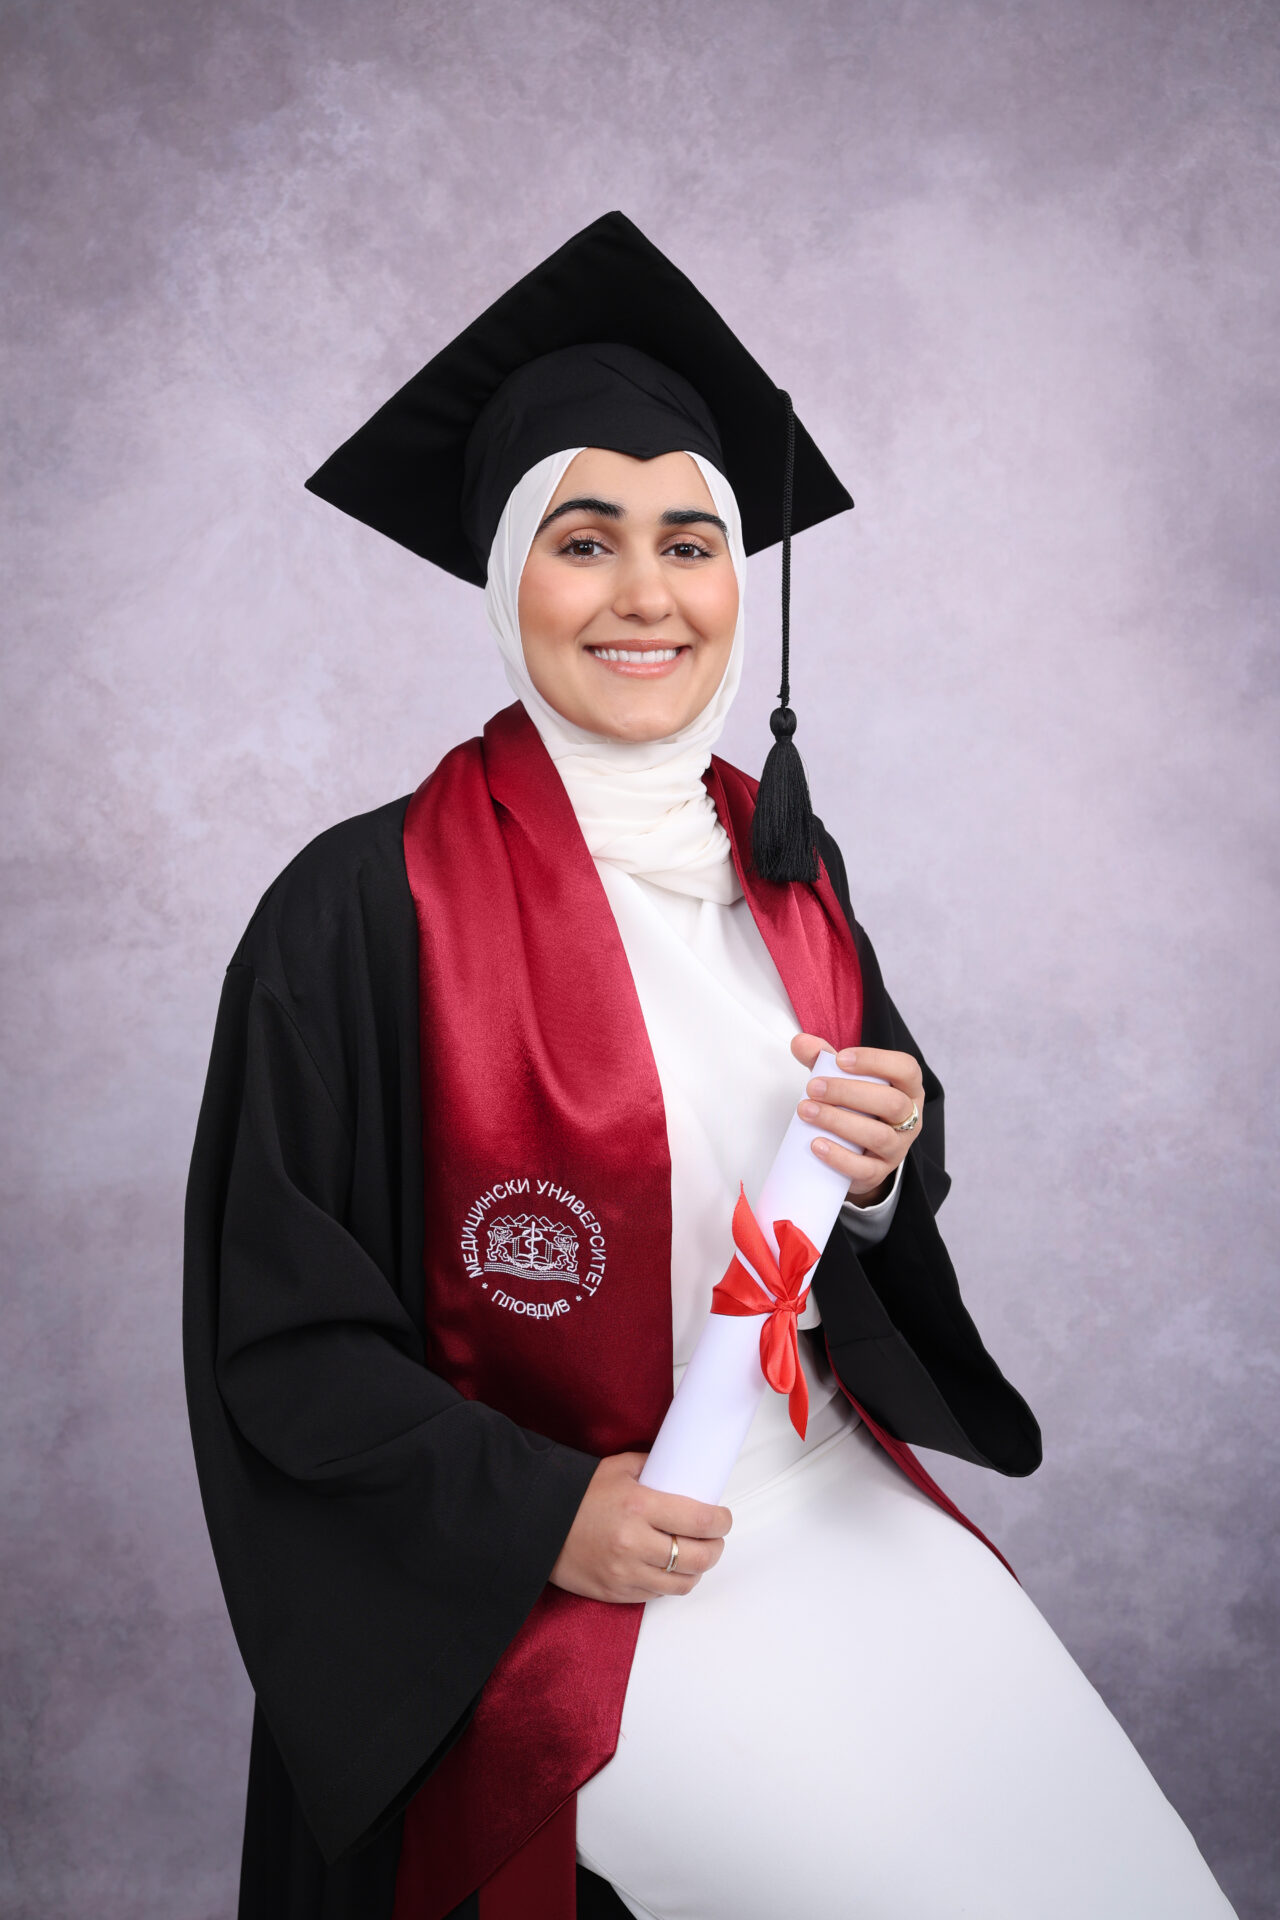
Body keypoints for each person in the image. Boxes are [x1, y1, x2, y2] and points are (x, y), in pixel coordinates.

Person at [184, 212, 1236, 1919]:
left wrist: (888, 1170)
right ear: (504, 573)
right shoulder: (359, 914)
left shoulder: (786, 868)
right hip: (557, 1564)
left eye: (691, 540)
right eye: (583, 541)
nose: (647, 595)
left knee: (1131, 1886)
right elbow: (282, 1343)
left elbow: (865, 1181)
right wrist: (544, 1515)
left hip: (815, 1485)